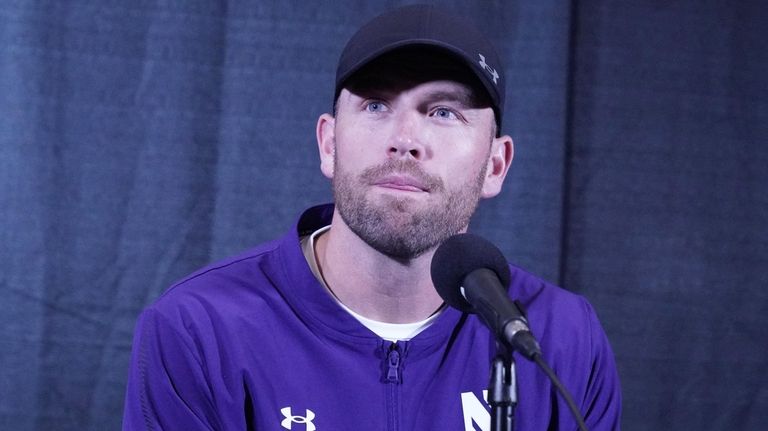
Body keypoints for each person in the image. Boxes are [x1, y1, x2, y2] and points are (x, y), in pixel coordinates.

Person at [122, 5, 621, 430]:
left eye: (444, 111)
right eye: (376, 104)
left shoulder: (560, 339)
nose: (404, 138)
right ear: (329, 143)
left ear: (495, 165)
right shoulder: (200, 329)